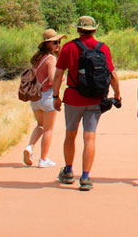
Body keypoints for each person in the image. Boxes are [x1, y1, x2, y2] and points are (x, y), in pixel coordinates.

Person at [52, 16, 121, 191]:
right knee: (89, 138)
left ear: (78, 29)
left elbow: (59, 75)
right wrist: (117, 95)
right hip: (95, 99)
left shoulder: (68, 48)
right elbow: (112, 75)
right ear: (95, 30)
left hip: (74, 98)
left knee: (70, 135)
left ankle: (68, 171)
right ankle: (85, 177)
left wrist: (55, 96)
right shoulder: (103, 48)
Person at [23, 29, 65, 168]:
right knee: (48, 129)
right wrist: (62, 79)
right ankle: (43, 159)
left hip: (35, 97)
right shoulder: (51, 59)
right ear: (47, 44)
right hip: (47, 97)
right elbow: (53, 79)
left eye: (59, 42)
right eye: (55, 42)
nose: (58, 44)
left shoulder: (36, 59)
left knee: (40, 125)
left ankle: (29, 147)